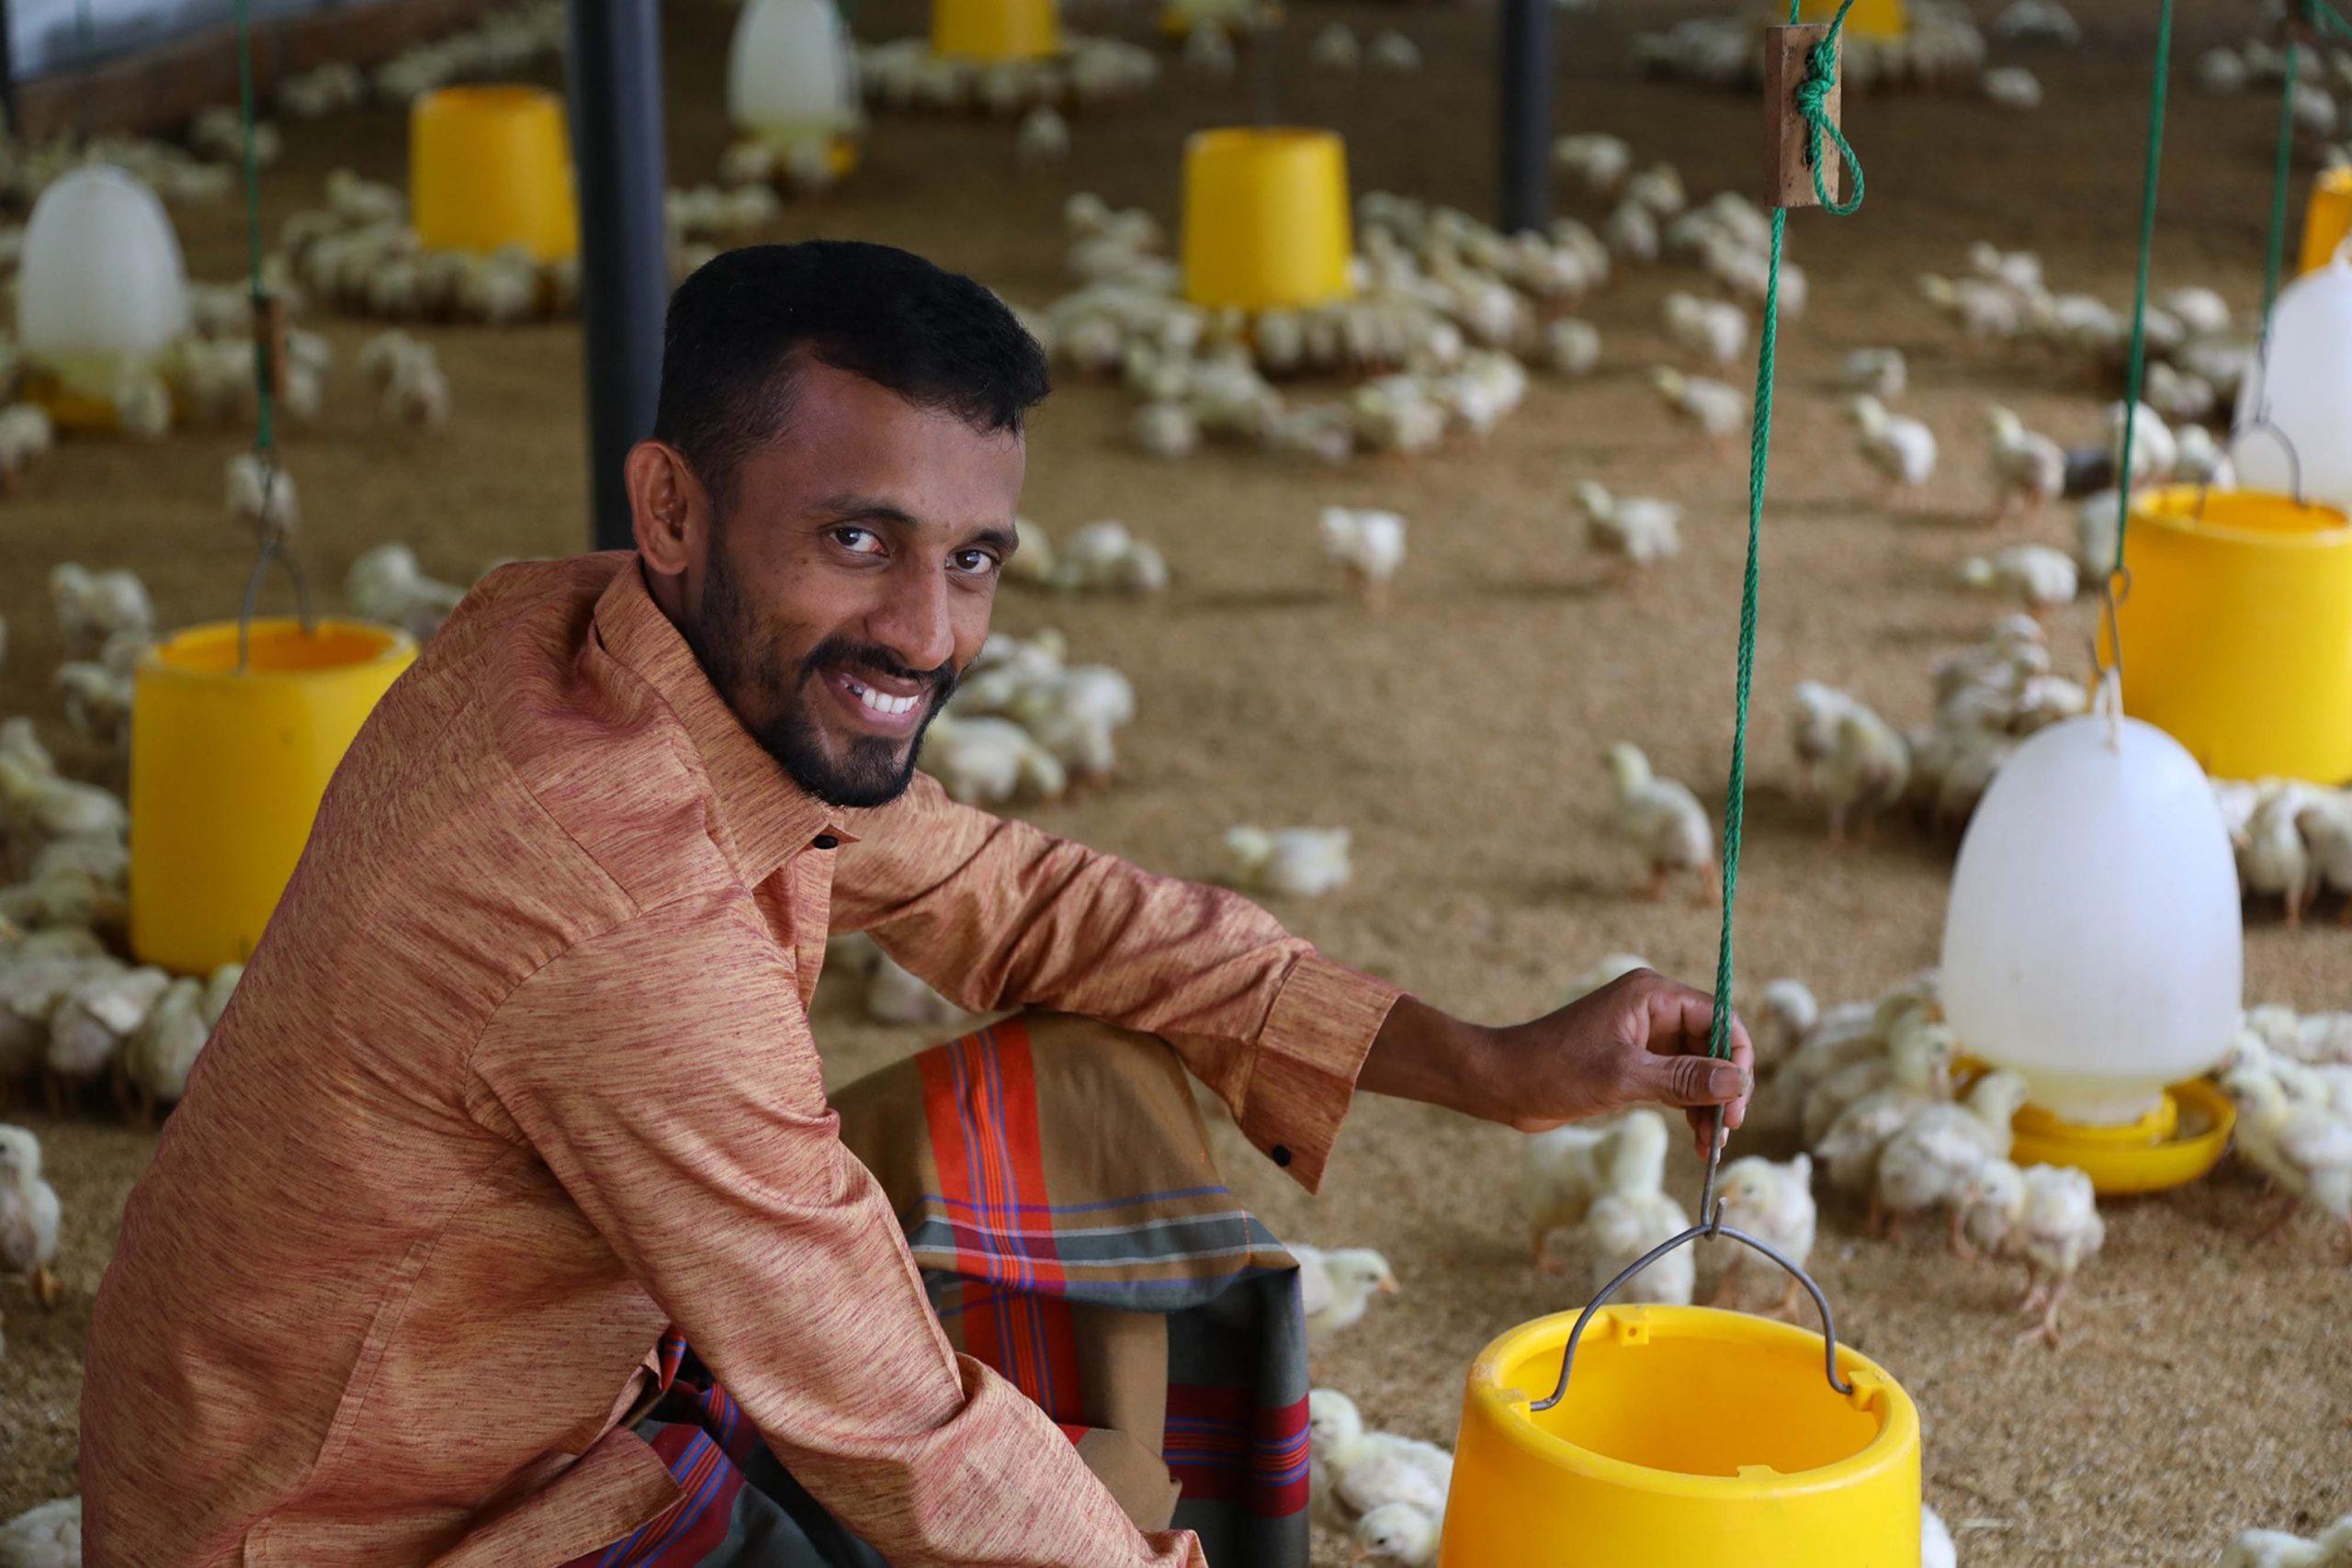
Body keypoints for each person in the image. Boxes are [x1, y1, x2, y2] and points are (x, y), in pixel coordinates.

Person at [79, 241, 1751, 1568]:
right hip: (382, 1526)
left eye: (972, 559)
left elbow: (1017, 896)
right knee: (957, 1460)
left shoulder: (588, 633)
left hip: (551, 1377)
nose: (930, 632)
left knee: (1096, 1088)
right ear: (671, 508)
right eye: (859, 537)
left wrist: (1485, 1064)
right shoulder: (614, 905)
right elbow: (889, 1419)